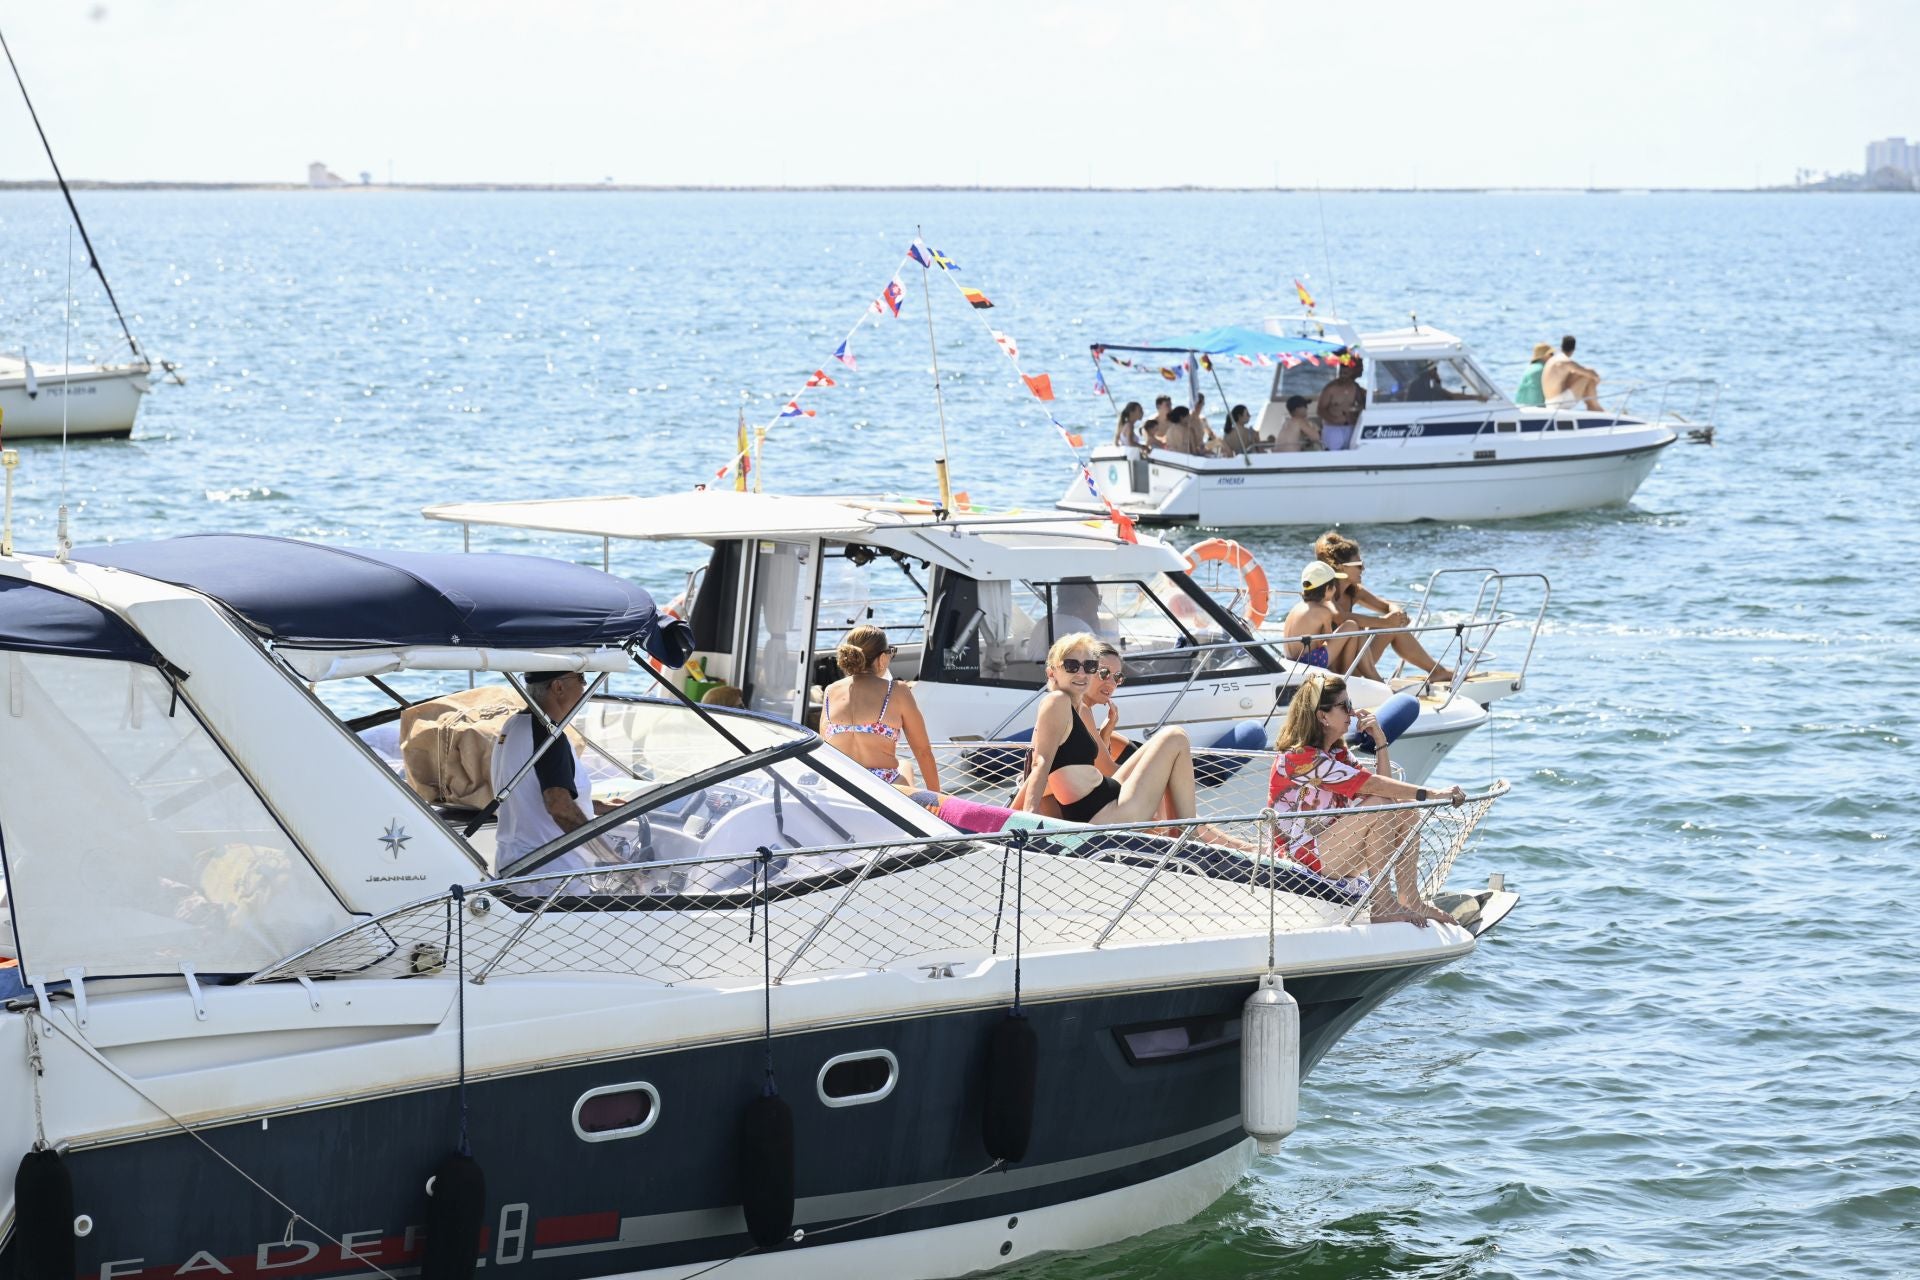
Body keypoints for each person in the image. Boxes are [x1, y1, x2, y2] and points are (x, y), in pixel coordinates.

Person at [1270, 673, 1465, 927]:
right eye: (1344, 706)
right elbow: (1373, 786)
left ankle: (1410, 899)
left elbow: (1388, 798)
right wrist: (1433, 794)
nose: (1352, 712)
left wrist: (1380, 741)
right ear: (1323, 716)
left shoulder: (1337, 754)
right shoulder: (1299, 759)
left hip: (1330, 852)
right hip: (1298, 857)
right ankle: (1381, 903)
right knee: (1382, 806)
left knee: (1406, 811)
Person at [1019, 633, 1203, 825]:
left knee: (1165, 748)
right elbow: (1041, 762)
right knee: (1175, 737)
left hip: (1107, 799)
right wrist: (1027, 818)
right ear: (1052, 673)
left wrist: (1105, 734)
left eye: (1089, 666)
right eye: (1071, 666)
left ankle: (1181, 832)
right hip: (1104, 814)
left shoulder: (1076, 708)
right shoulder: (1057, 701)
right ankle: (1184, 832)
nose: (1081, 673)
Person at [494, 671, 630, 871]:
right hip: (553, 873)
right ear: (558, 687)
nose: (584, 687)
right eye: (581, 678)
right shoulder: (549, 736)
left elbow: (528, 794)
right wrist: (612, 860)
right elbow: (559, 807)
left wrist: (594, 806)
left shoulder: (514, 725)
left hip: (514, 864)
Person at [1314, 531, 1454, 683]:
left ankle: (1437, 671)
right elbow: (1340, 617)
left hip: (1355, 665)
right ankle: (1380, 681)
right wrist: (1384, 622)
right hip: (1334, 669)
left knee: (1392, 627)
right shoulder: (1325, 592)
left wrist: (1398, 615)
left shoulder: (1354, 591)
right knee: (1368, 626)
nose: (1363, 569)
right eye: (1359, 565)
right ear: (1341, 568)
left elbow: (1387, 605)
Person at [821, 624, 939, 789]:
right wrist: (937, 798)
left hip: (840, 785)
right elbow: (923, 752)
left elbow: (824, 747)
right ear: (882, 658)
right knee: (905, 765)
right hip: (881, 789)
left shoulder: (830, 691)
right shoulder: (897, 691)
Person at [1314, 356, 1366, 450]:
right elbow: (1320, 410)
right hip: (1333, 429)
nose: (1343, 374)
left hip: (1350, 428)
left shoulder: (1356, 388)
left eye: (1346, 372)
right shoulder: (1331, 388)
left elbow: (1364, 405)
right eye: (1342, 372)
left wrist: (1354, 414)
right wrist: (1334, 419)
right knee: (1333, 455)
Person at [1542, 334, 1603, 412]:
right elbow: (1591, 373)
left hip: (1549, 403)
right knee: (1588, 376)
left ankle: (1592, 406)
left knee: (1578, 374)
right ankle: (1594, 407)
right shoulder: (1566, 362)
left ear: (1561, 347)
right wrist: (1596, 380)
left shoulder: (1553, 359)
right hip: (1559, 403)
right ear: (1573, 349)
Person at [1514, 342, 1552, 407]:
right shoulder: (1544, 369)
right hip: (1538, 408)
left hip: (1520, 406)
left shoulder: (1530, 368)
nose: (1552, 356)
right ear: (1544, 355)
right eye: (1551, 354)